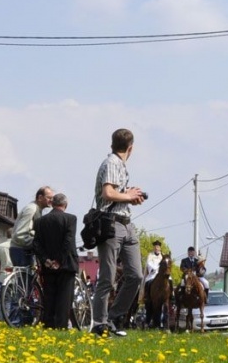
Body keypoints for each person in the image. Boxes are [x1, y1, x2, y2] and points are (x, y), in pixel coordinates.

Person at [90, 128, 146, 337]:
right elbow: (108, 193)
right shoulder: (112, 163)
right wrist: (128, 195)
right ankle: (100, 323)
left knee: (136, 275)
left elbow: (117, 194)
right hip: (111, 224)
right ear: (130, 148)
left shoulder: (119, 165)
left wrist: (131, 196)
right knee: (108, 276)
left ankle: (114, 317)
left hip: (127, 223)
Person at [33, 193, 79, 329]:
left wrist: (46, 260)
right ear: (65, 204)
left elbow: (36, 244)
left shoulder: (40, 221)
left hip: (47, 265)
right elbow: (68, 242)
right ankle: (61, 325)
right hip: (66, 264)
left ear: (52, 204)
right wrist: (59, 260)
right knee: (65, 297)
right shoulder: (70, 219)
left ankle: (48, 324)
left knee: (49, 295)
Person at [10, 186, 54, 267]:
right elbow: (20, 234)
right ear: (40, 197)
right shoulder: (32, 209)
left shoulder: (36, 209)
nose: (51, 200)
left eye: (52, 198)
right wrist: (37, 244)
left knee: (26, 277)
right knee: (25, 278)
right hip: (21, 250)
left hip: (21, 249)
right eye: (49, 198)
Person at [0, 228, 14, 321]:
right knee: (14, 299)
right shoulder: (18, 246)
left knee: (2, 299)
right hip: (16, 274)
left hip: (3, 274)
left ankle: (2, 319)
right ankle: (9, 319)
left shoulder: (0, 246)